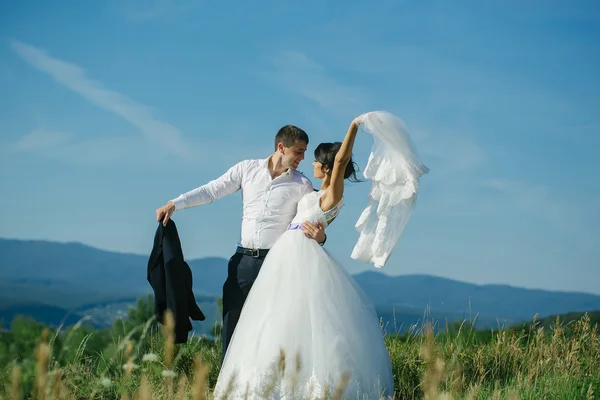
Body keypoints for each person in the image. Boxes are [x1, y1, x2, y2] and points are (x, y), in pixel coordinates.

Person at [212, 110, 428, 399]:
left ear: (327, 166)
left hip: (297, 256)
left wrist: (354, 127)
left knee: (296, 317)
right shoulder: (313, 190)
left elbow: (341, 160)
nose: (309, 162)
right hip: (285, 253)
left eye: (314, 159)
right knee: (276, 318)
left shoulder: (332, 193)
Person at [155, 125, 328, 361]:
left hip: (277, 264)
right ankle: (227, 387)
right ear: (281, 147)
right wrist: (175, 203)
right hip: (243, 262)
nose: (302, 158)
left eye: (304, 152)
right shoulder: (247, 169)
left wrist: (321, 238)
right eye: (298, 151)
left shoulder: (302, 185)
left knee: (274, 327)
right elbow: (212, 190)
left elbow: (310, 222)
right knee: (232, 322)